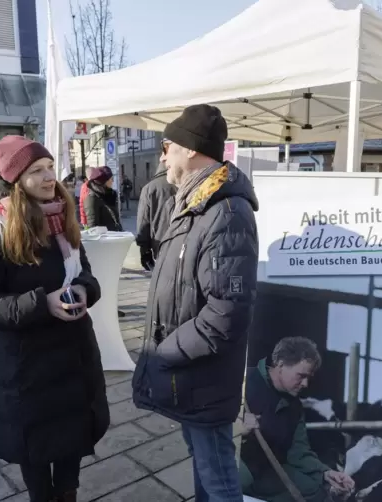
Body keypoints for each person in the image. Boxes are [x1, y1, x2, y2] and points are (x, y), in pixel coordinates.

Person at [0, 135, 109, 502]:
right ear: (15, 180)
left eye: (49, 169)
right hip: (26, 366)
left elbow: (87, 275)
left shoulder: (63, 222)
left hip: (73, 357)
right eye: (37, 171)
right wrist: (43, 303)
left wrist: (84, 292)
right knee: (36, 449)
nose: (49, 178)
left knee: (72, 438)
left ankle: (69, 493)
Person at [132, 104, 259, 502]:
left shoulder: (225, 211)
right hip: (189, 372)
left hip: (200, 373)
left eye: (166, 146)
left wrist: (165, 351)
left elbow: (227, 311)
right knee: (205, 465)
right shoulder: (192, 201)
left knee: (219, 476)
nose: (162, 156)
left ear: (188, 148)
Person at [240, 337, 355, 502]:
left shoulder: (294, 407)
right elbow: (200, 421)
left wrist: (325, 472)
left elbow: (299, 453)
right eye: (301, 375)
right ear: (280, 363)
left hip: (266, 470)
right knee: (232, 482)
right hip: (233, 460)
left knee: (315, 491)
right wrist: (236, 428)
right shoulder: (244, 380)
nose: (305, 384)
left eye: (309, 377)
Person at [135, 161, 175, 271]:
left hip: (160, 242)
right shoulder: (185, 182)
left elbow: (143, 221)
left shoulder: (149, 188)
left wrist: (144, 249)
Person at [83, 166, 122, 231]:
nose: (113, 181)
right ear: (103, 181)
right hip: (104, 239)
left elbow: (115, 219)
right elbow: (93, 227)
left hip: (115, 236)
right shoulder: (92, 198)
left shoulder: (110, 194)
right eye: (111, 179)